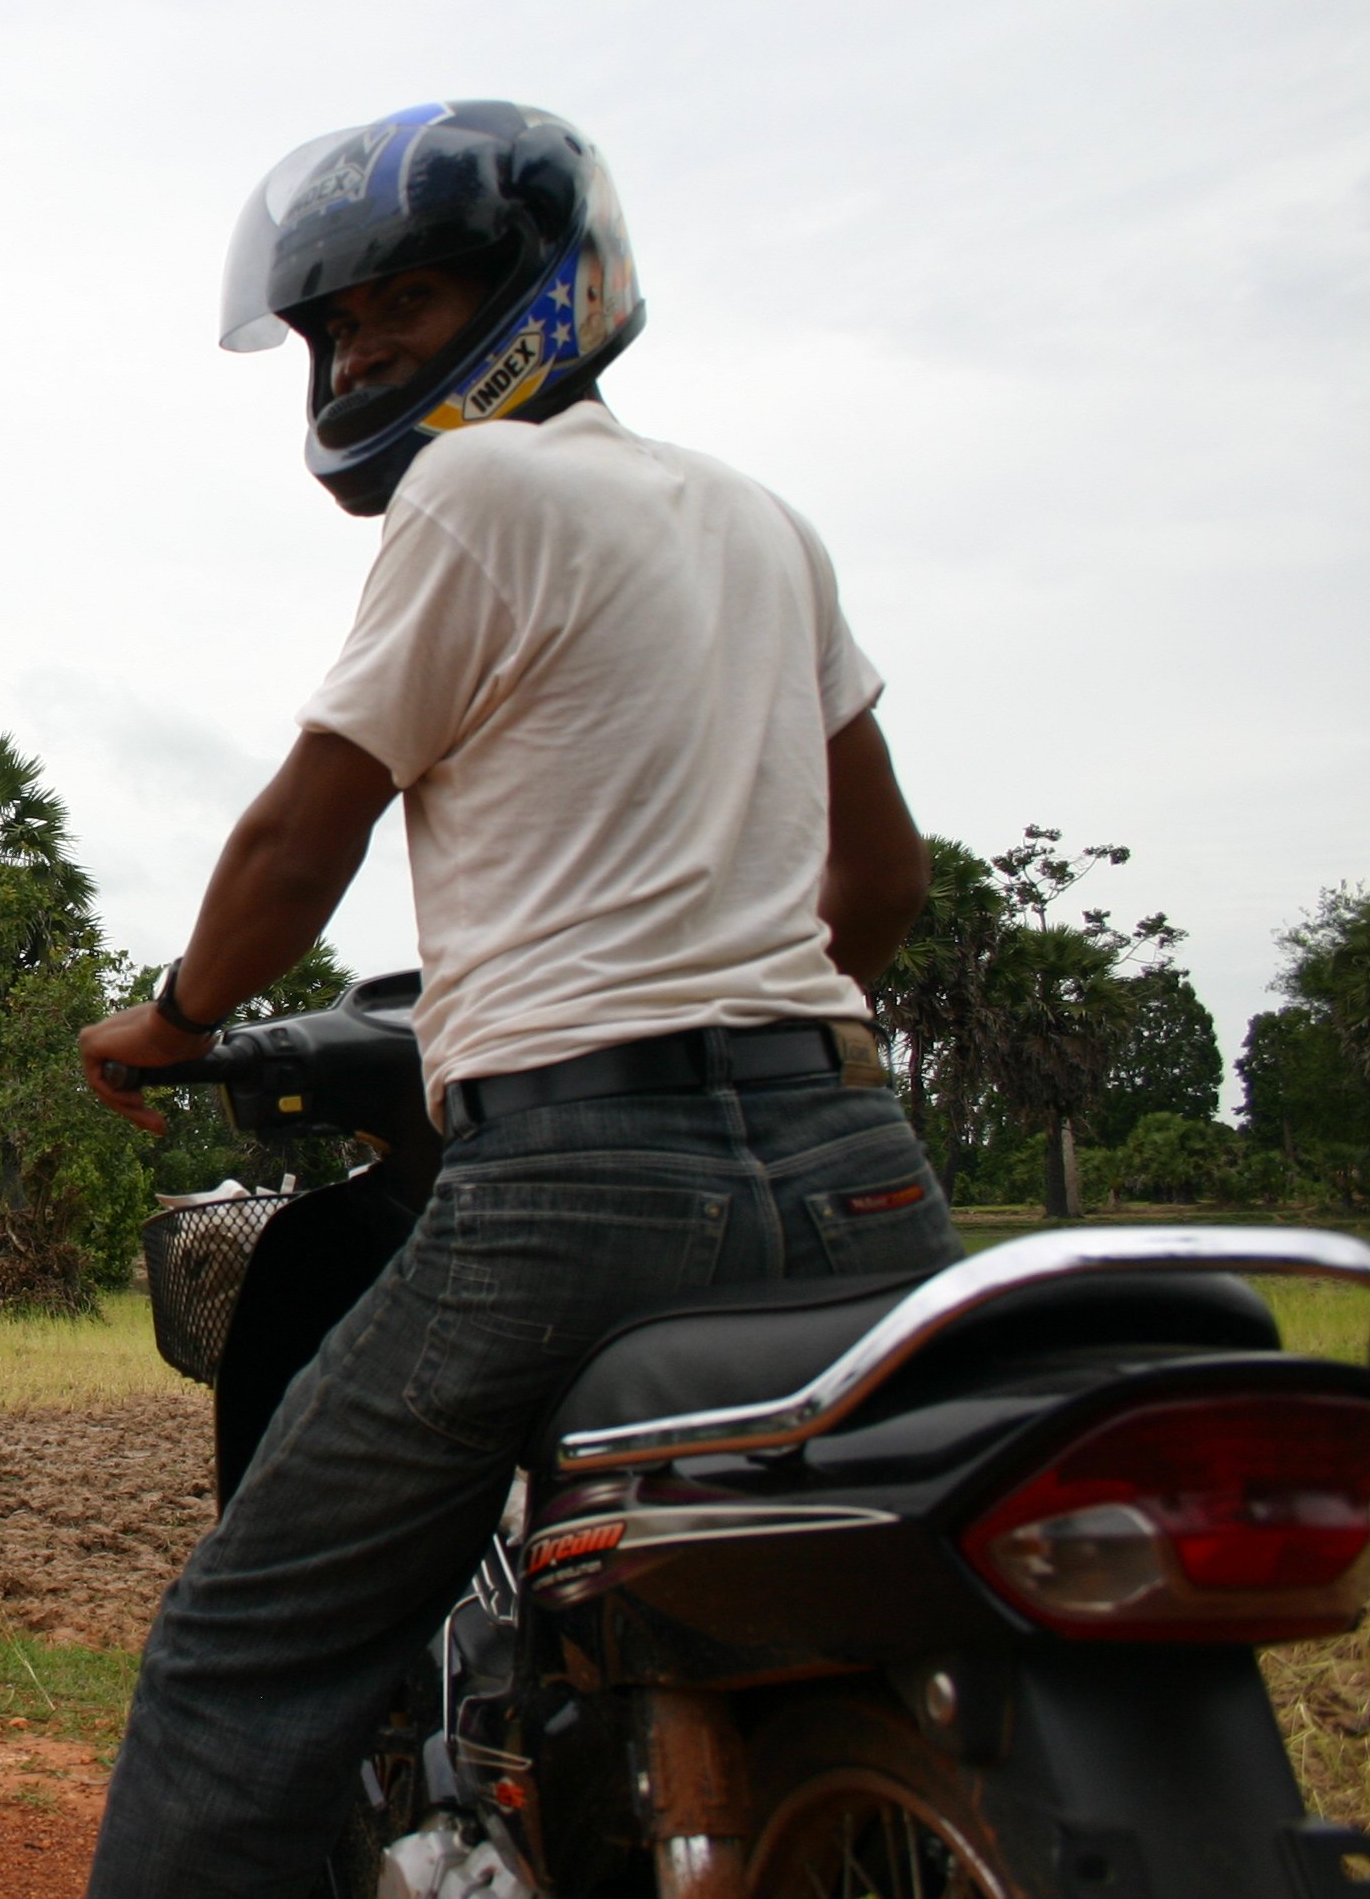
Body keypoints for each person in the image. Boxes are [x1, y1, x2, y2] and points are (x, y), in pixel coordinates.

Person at [73, 101, 955, 1895]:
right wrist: (759, 1020)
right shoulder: (761, 520)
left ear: (538, 285)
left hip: (575, 1181)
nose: (362, 345)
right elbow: (879, 880)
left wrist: (173, 1014)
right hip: (860, 1165)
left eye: (405, 295)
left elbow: (304, 828)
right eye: (333, 323)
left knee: (242, 1650)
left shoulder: (476, 483)